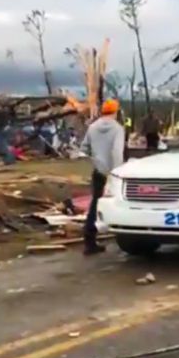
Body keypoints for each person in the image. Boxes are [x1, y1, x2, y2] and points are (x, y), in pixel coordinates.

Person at [80, 99, 125, 256]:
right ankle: (125, 236)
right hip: (113, 172)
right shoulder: (117, 129)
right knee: (120, 203)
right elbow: (117, 152)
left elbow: (84, 147)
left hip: (98, 171)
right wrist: (117, 172)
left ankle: (89, 240)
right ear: (116, 111)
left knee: (95, 204)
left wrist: (96, 158)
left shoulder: (92, 127)